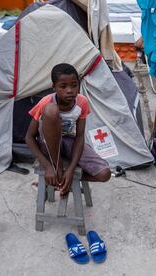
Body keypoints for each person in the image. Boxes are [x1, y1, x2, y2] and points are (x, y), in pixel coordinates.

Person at [25, 63, 111, 196]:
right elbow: (29, 137)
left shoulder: (82, 102)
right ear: (54, 87)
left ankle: (63, 180)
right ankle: (57, 167)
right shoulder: (46, 101)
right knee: (50, 110)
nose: (70, 90)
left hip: (69, 142)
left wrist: (70, 170)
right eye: (63, 86)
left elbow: (80, 136)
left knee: (105, 174)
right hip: (48, 145)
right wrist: (48, 167)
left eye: (74, 85)